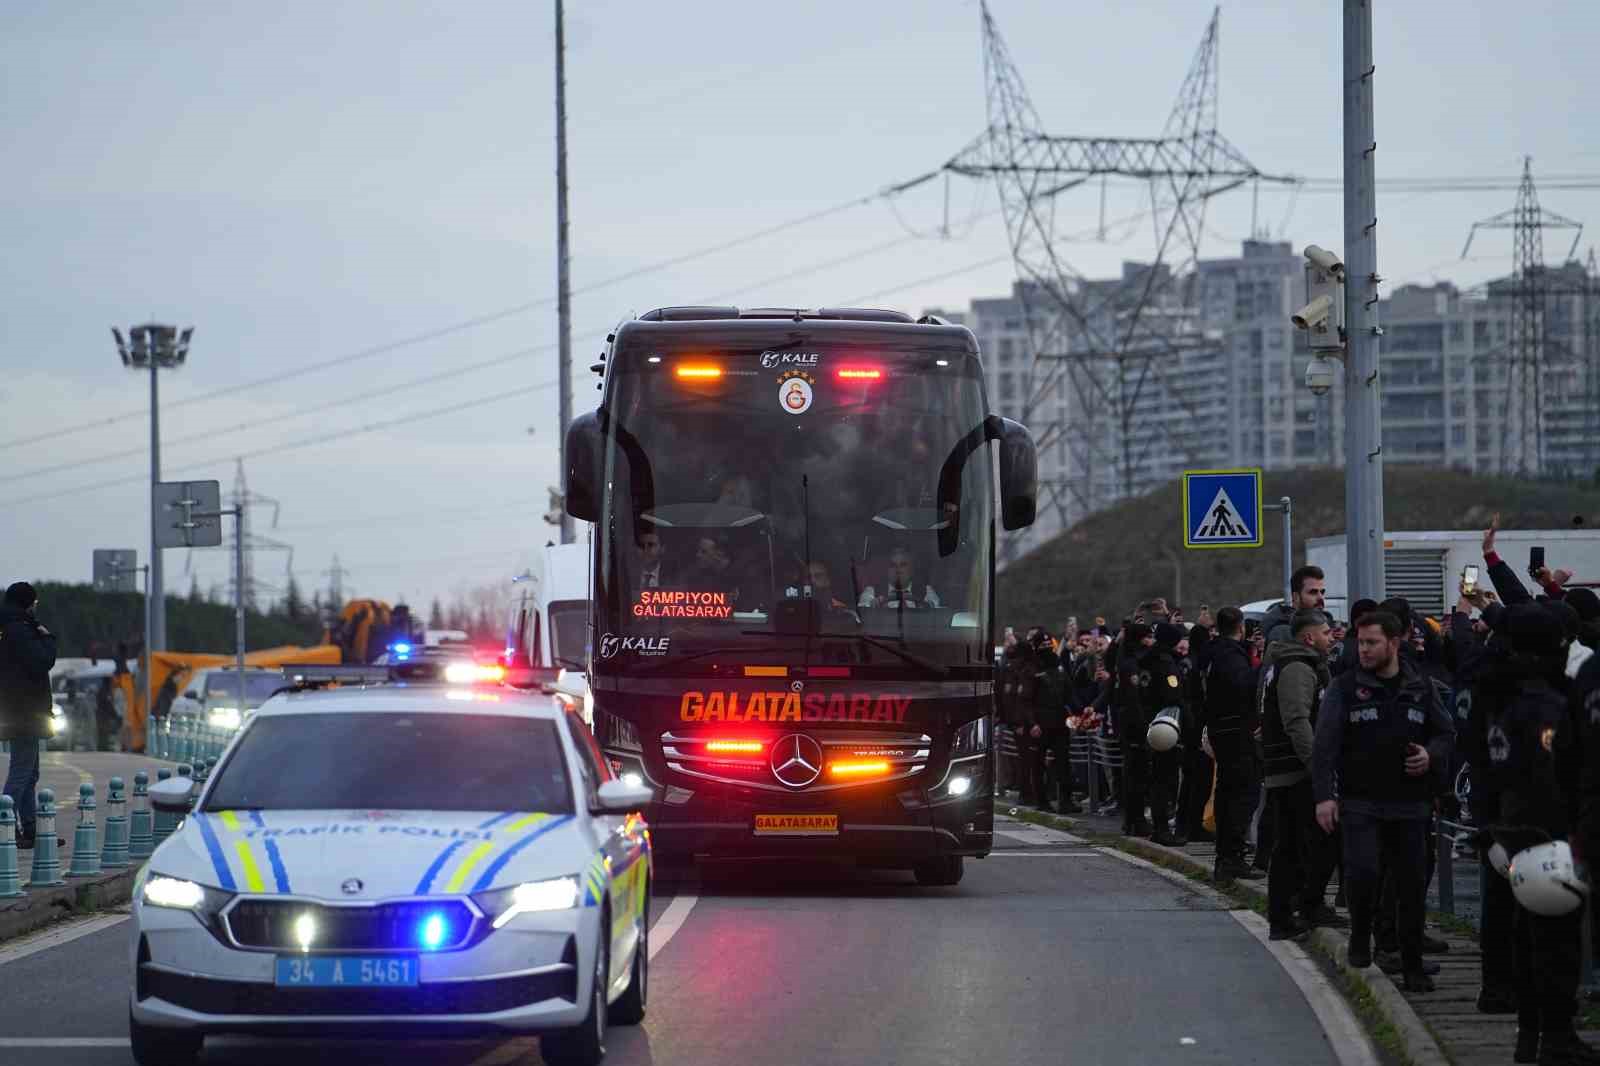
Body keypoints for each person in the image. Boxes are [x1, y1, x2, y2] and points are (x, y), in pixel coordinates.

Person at [1475, 604, 1596, 1064]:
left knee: (1524, 939)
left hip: (1508, 831)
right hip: (1550, 833)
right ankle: (1557, 1036)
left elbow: (1481, 767)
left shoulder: (1495, 696)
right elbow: (1556, 771)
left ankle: (1530, 1035)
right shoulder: (1547, 703)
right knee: (1556, 945)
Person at [1313, 610, 1455, 992]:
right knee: (1363, 873)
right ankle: (1361, 936)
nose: (1364, 649)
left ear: (1394, 643)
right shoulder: (1345, 687)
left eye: (1372, 642)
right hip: (1361, 802)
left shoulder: (1420, 686)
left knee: (1410, 886)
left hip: (1410, 804)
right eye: (1361, 642)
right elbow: (1325, 746)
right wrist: (1324, 797)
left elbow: (1445, 733)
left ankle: (1412, 965)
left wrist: (1430, 755)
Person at [1260, 609, 1339, 937]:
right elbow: (1297, 721)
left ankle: (1303, 907)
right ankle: (1287, 915)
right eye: (1326, 632)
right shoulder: (1296, 667)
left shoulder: (1300, 664)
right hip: (1294, 771)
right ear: (1309, 637)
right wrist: (1317, 766)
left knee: (1306, 844)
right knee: (1296, 845)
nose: (1331, 638)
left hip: (1293, 769)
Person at [1, 581, 59, 850]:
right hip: (25, 712)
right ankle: (5, 825)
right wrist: (47, 638)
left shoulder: (7, 627)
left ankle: (31, 829)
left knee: (29, 773)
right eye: (34, 602)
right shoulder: (20, 630)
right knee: (21, 771)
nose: (36, 607)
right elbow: (42, 661)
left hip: (15, 709)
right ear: (26, 603)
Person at [1207, 607, 1263, 882]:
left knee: (1227, 793)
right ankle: (1232, 857)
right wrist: (1262, 667)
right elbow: (1243, 686)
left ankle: (1226, 856)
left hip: (1220, 729)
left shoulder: (1213, 652)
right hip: (1235, 731)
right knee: (1242, 794)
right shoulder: (1230, 655)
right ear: (1240, 627)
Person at [1143, 622, 1189, 846]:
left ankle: (1158, 826)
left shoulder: (1147, 659)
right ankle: (1161, 829)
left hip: (1151, 724)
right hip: (1166, 726)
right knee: (1164, 780)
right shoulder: (1166, 664)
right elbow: (1173, 695)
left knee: (1157, 779)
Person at [857, 547, 942, 609]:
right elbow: (863, 613)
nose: (898, 570)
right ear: (887, 569)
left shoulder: (926, 591)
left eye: (903, 565)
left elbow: (936, 611)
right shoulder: (871, 592)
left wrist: (928, 606)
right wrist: (873, 606)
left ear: (912, 568)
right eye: (893, 565)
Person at [1264, 565, 1327, 643]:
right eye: (1313, 592)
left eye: (1322, 592)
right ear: (1296, 597)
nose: (1321, 598)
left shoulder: (1321, 625)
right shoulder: (1284, 633)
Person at [635, 526, 666, 592]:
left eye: (651, 545)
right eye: (641, 545)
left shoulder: (674, 577)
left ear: (662, 549)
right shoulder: (628, 576)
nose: (645, 550)